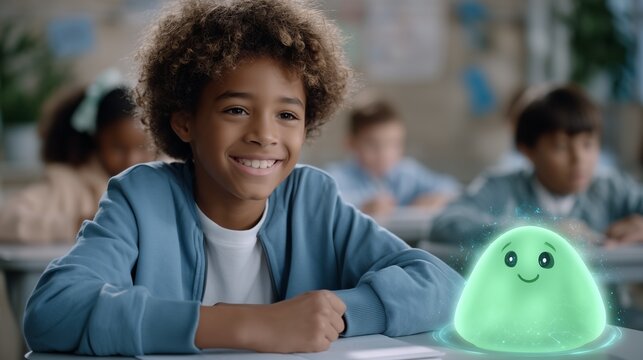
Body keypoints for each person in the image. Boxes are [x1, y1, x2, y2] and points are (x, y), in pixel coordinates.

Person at [23, 0, 464, 355]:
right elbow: (52, 312)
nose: (264, 135)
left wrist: (338, 314)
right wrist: (250, 325)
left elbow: (443, 288)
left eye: (287, 114)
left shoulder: (313, 200)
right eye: (236, 110)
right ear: (184, 123)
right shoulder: (141, 198)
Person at [430, 84, 643, 250]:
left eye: (588, 144)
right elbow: (446, 223)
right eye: (560, 147)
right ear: (527, 150)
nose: (579, 159)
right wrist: (538, 232)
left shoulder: (610, 189)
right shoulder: (503, 189)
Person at [0, 69, 156, 244]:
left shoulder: (166, 180)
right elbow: (9, 221)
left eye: (143, 147)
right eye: (118, 148)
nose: (132, 159)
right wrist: (82, 224)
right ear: (96, 139)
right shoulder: (66, 182)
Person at [326, 97, 460, 217]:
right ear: (351, 143)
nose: (384, 153)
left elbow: (452, 188)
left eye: (393, 143)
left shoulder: (408, 172)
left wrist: (438, 198)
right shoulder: (336, 177)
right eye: (372, 144)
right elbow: (324, 203)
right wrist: (362, 206)